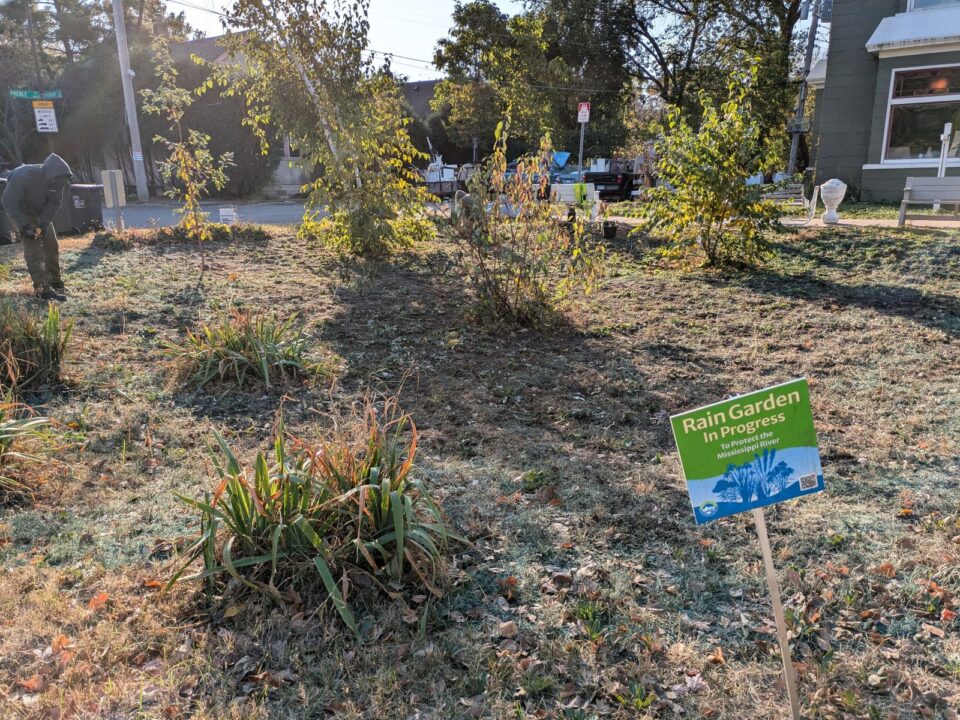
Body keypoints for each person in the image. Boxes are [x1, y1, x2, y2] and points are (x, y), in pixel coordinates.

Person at [0, 154, 73, 301]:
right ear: (49, 175)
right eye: (58, 181)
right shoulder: (24, 175)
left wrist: (43, 224)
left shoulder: (59, 181)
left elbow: (54, 204)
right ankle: (42, 289)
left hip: (40, 214)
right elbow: (8, 202)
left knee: (52, 246)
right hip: (22, 213)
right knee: (34, 251)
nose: (59, 185)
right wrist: (25, 226)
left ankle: (55, 281)